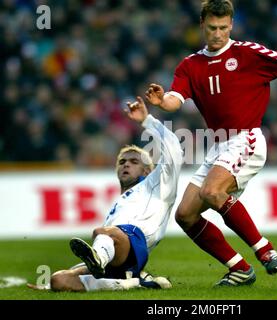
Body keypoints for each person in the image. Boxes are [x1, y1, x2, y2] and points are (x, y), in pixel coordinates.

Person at [145, 0, 277, 286]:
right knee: (185, 215)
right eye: (212, 28)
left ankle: (265, 250)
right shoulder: (190, 65)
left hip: (245, 138)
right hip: (218, 146)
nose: (217, 34)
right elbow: (176, 98)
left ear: (231, 25)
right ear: (202, 25)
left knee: (212, 192)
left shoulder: (249, 53)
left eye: (223, 28)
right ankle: (239, 268)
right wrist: (162, 101)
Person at [28, 96, 183, 291]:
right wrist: (73, 272)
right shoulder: (120, 204)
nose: (126, 164)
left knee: (102, 232)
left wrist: (147, 121)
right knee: (58, 280)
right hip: (117, 255)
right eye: (122, 161)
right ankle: (134, 284)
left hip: (135, 245)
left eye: (134, 162)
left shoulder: (157, 184)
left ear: (146, 171)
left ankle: (101, 262)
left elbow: (174, 151)